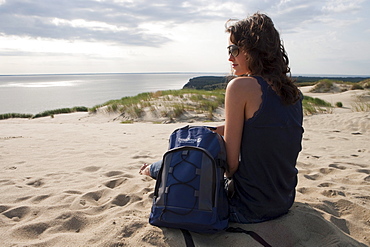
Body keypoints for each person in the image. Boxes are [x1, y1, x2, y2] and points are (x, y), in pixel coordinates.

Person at [140, 12, 303, 224]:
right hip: (283, 201)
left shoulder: (240, 87)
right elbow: (265, 128)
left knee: (187, 162)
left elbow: (231, 165)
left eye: (234, 49)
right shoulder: (292, 92)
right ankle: (155, 167)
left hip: (248, 207)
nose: (230, 57)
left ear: (254, 50)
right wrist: (217, 130)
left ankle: (153, 169)